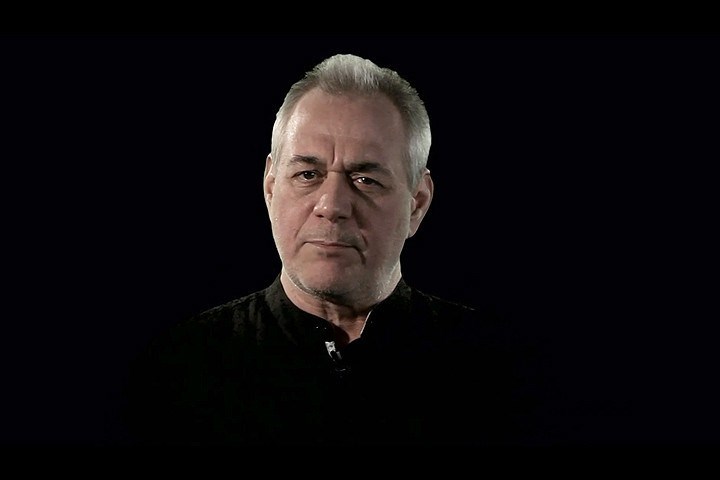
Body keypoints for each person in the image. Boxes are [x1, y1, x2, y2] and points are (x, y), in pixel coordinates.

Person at [122, 53, 541, 447]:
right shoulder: (178, 370)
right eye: (308, 174)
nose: (332, 205)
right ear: (271, 188)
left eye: (365, 180)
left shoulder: (499, 370)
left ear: (417, 203)